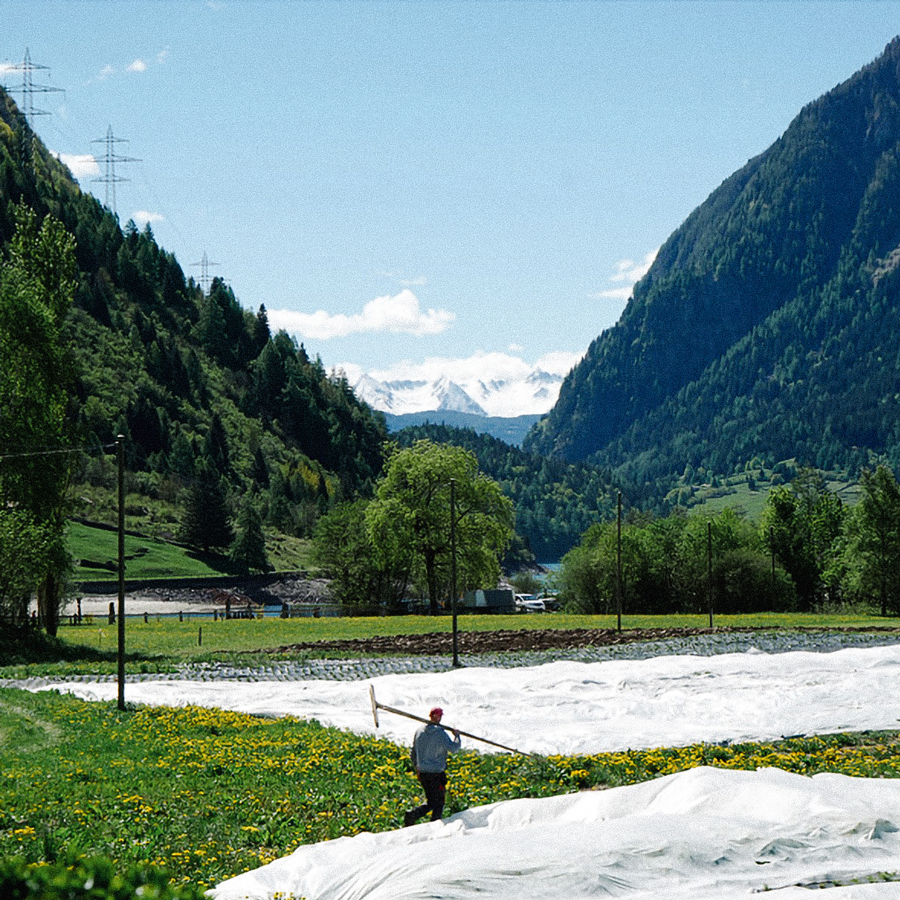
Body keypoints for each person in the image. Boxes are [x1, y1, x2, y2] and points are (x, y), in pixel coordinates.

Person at [404, 706, 461, 826]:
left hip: (423, 773)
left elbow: (413, 753)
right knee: (438, 803)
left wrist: (417, 767)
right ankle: (421, 818)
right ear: (439, 717)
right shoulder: (440, 734)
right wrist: (457, 736)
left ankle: (416, 816)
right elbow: (454, 748)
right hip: (436, 774)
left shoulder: (419, 731)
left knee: (432, 801)